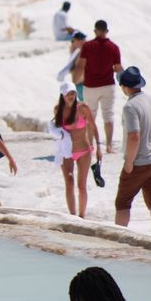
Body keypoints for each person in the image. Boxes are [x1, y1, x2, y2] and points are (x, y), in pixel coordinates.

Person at [114, 67, 151, 233]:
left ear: (124, 87)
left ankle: (118, 237)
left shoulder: (130, 107)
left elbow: (134, 135)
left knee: (122, 202)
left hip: (139, 161)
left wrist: (129, 161)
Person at [50, 83, 101, 218]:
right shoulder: (58, 110)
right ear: (63, 95)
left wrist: (99, 147)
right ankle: (73, 216)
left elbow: (93, 127)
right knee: (69, 182)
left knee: (81, 185)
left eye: (73, 93)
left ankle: (82, 216)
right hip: (66, 151)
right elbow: (56, 130)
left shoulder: (83, 108)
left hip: (83, 150)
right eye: (68, 93)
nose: (71, 96)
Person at [75, 20, 123, 152]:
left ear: (95, 31)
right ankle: (108, 145)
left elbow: (81, 65)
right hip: (108, 85)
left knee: (91, 116)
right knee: (108, 115)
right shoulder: (114, 47)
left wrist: (75, 79)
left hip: (90, 86)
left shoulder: (88, 46)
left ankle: (90, 145)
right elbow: (118, 68)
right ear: (107, 31)